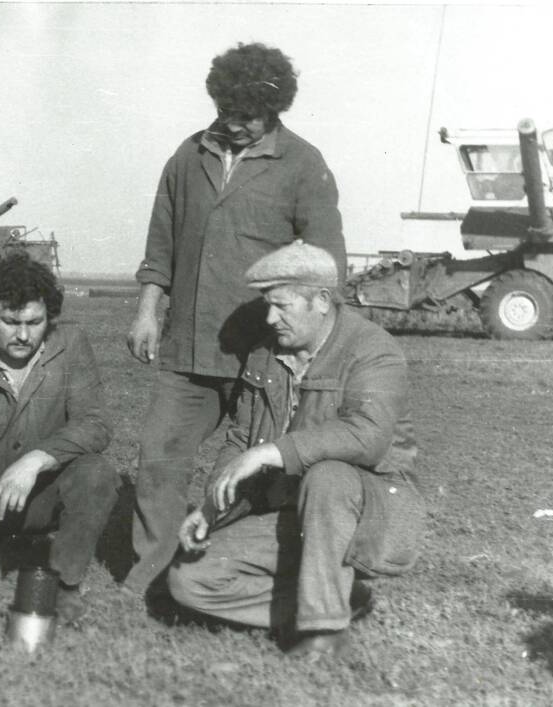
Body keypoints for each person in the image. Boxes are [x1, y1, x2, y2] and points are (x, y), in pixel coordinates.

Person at [123, 41, 347, 597]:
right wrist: (148, 311)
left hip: (264, 352)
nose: (236, 125)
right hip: (188, 346)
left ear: (274, 110)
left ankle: (232, 568)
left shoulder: (303, 164)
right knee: (159, 457)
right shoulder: (188, 154)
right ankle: (150, 574)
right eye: (228, 112)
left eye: (249, 116)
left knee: (255, 472)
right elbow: (161, 241)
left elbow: (326, 264)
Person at [168, 241, 423, 656]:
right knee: (189, 580)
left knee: (329, 475)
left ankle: (324, 632)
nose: (271, 318)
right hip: (294, 515)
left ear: (322, 300)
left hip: (369, 515)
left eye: (282, 306)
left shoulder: (373, 349)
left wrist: (274, 453)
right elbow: (241, 437)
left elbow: (369, 436)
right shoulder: (265, 355)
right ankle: (335, 599)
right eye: (268, 305)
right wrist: (210, 509)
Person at [0, 252, 118, 623]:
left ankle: (64, 584)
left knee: (97, 474)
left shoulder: (72, 343)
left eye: (35, 323)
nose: (23, 335)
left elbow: (96, 422)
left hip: (43, 494)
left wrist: (35, 460)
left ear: (50, 318)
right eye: (10, 321)